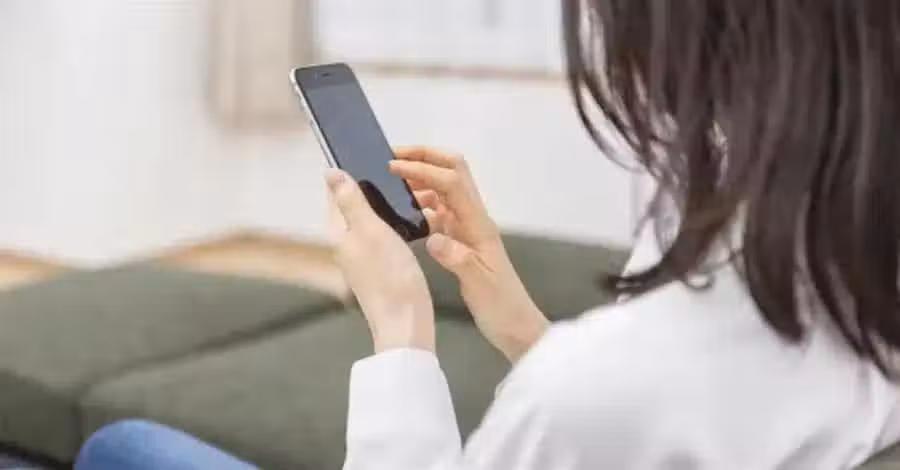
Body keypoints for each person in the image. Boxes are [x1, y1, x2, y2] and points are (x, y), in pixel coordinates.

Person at [76, 0, 900, 468]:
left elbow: (607, 402)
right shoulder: (865, 298)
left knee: (125, 446)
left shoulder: (583, 393)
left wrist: (401, 328)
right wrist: (515, 318)